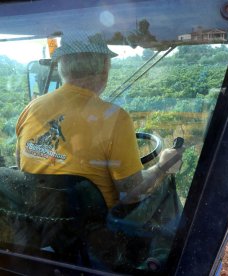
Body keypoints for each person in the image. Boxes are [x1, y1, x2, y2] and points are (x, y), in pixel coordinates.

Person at [15, 32, 184, 209]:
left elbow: (21, 167)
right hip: (95, 233)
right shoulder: (115, 119)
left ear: (62, 66)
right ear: (105, 66)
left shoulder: (32, 108)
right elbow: (132, 193)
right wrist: (162, 167)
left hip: (36, 228)